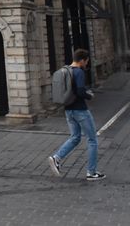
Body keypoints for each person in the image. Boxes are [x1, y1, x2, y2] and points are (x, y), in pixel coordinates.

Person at [48, 48, 104, 181]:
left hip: (68, 109)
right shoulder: (79, 72)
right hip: (80, 110)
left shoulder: (66, 70)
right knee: (92, 140)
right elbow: (79, 90)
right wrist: (89, 95)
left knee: (75, 137)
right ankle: (91, 172)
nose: (86, 64)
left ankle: (56, 158)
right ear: (83, 60)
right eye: (86, 61)